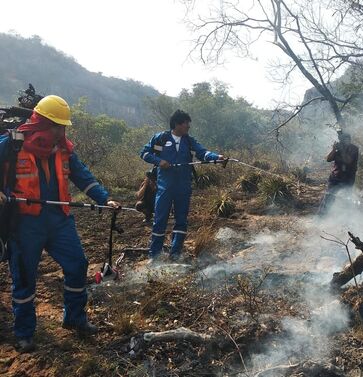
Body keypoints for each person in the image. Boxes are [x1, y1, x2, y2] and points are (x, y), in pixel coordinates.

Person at [0, 95, 120, 353]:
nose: (59, 131)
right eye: (56, 125)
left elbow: (82, 175)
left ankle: (74, 318)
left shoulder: (64, 148)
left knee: (78, 264)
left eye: (62, 126)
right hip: (24, 224)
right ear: (41, 122)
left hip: (59, 221)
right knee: (25, 279)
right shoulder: (12, 144)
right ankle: (24, 333)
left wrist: (104, 198)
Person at [140, 110, 224, 262]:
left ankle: (175, 254)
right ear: (177, 124)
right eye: (186, 123)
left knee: (181, 221)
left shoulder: (189, 141)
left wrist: (216, 158)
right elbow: (144, 153)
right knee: (160, 220)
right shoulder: (160, 139)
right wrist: (159, 162)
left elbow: (203, 153)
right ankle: (154, 256)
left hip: (183, 187)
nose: (188, 126)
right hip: (164, 187)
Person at [318, 130, 359, 215]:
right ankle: (321, 217)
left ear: (350, 139)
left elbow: (348, 161)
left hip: (348, 178)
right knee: (329, 196)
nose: (346, 141)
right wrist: (334, 150)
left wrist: (342, 150)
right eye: (344, 139)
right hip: (335, 176)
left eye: (347, 139)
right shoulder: (339, 148)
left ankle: (348, 218)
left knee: (347, 198)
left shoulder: (354, 149)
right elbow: (328, 159)